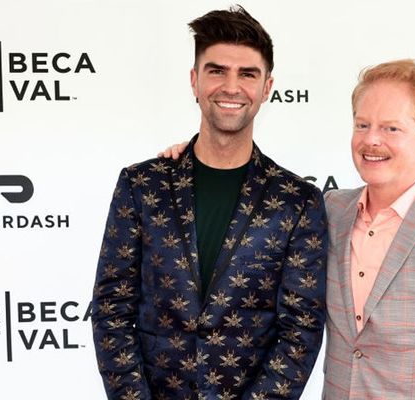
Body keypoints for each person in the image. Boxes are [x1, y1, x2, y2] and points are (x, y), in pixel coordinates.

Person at [162, 59, 415, 399]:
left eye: (391, 128)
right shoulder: (331, 210)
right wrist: (199, 163)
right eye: (362, 125)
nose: (371, 140)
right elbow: (260, 207)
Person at [91, 6, 327, 400]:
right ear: (194, 81)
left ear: (267, 87)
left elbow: (300, 331)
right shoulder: (141, 185)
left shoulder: (296, 202)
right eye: (217, 70)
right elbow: (111, 308)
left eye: (247, 74)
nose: (231, 87)